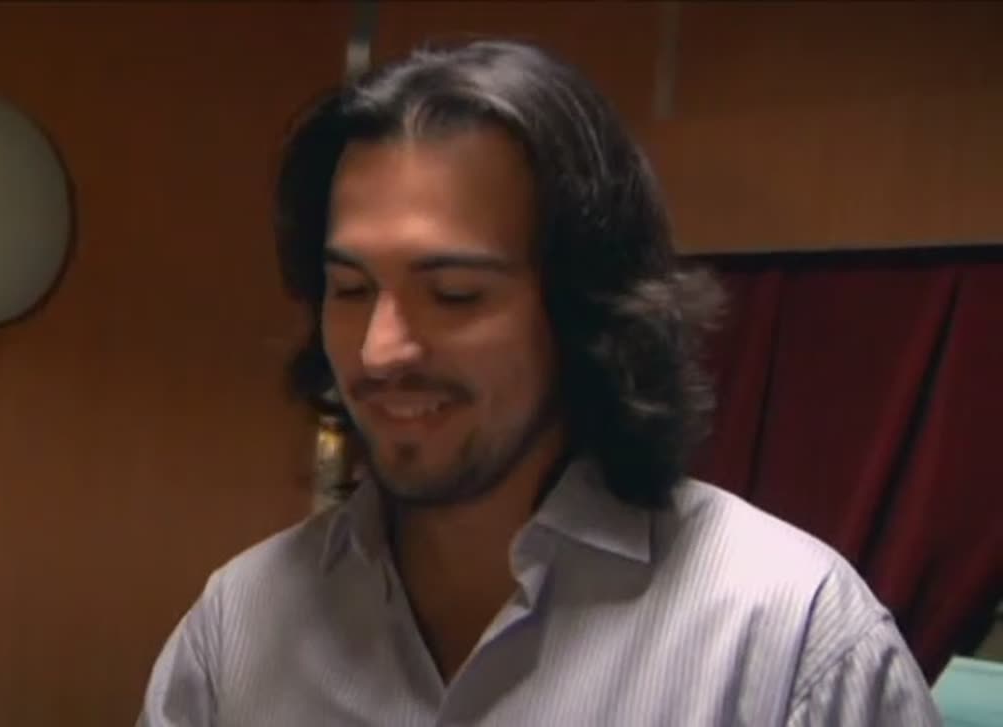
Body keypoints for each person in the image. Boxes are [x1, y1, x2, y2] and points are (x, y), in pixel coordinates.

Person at [137, 40, 940, 726]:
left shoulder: (794, 638)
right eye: (350, 289)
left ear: (585, 309)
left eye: (455, 294)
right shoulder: (237, 627)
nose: (380, 351)